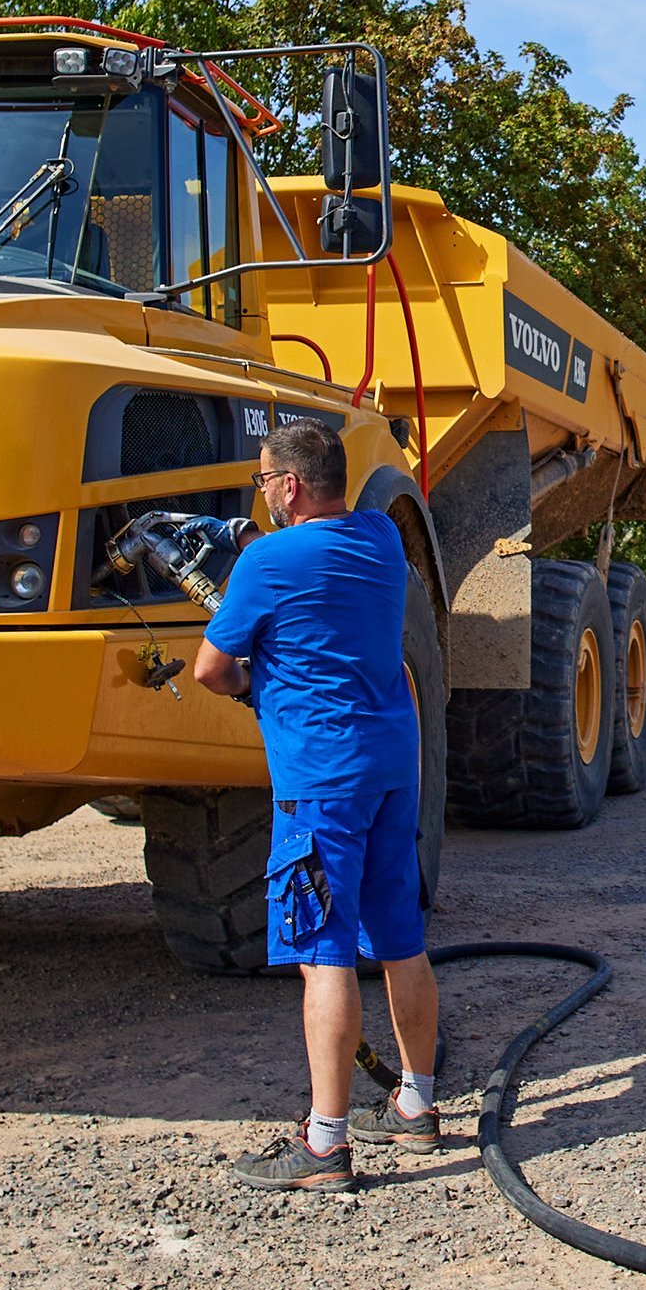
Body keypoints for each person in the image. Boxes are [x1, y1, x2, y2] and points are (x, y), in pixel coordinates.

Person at [189, 416, 443, 1192]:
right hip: (393, 769)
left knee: (323, 954)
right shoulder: (382, 538)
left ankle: (325, 1143)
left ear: (291, 486)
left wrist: (252, 678)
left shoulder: (266, 563)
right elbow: (323, 582)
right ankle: (415, 1105)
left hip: (321, 782)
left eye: (266, 479)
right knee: (400, 940)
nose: (262, 491)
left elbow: (209, 670)